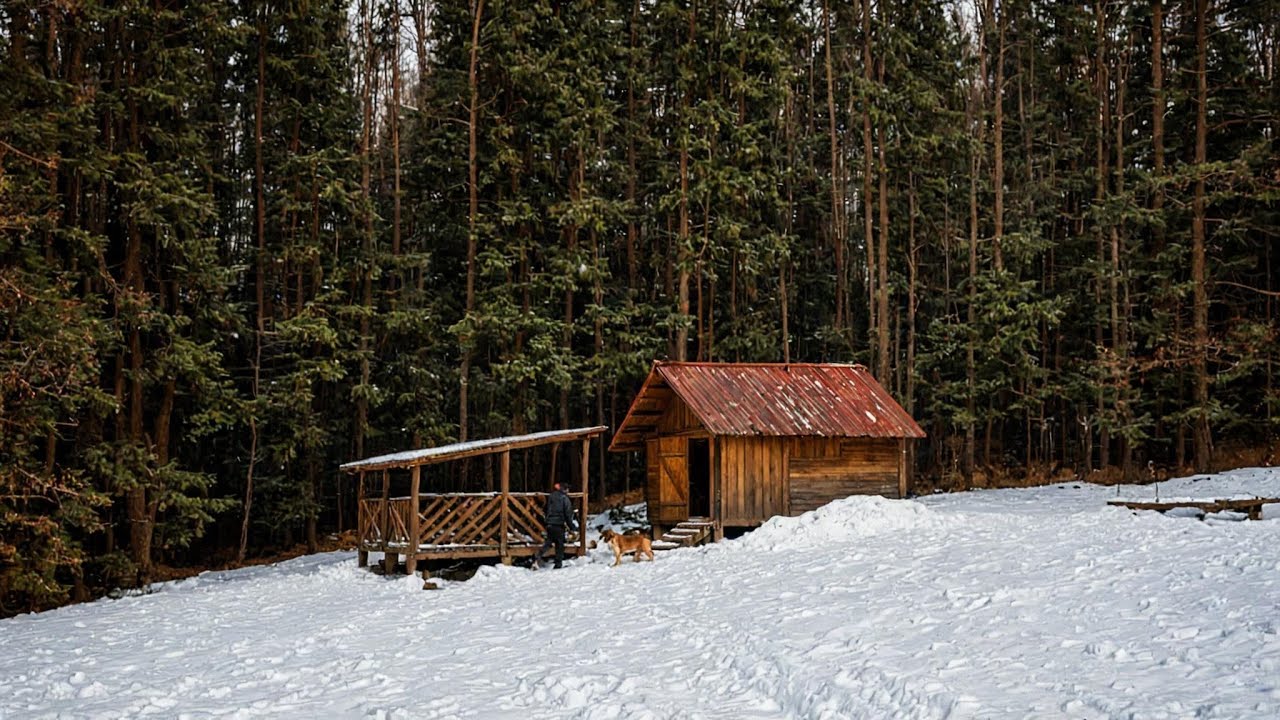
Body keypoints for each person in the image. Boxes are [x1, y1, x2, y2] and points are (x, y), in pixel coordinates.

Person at [535, 480, 577, 569]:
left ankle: (537, 556)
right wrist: (572, 526)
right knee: (560, 544)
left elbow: (546, 509)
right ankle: (558, 564)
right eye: (568, 489)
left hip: (550, 524)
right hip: (558, 524)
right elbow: (568, 514)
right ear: (565, 490)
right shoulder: (564, 499)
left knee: (549, 542)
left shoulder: (551, 496)